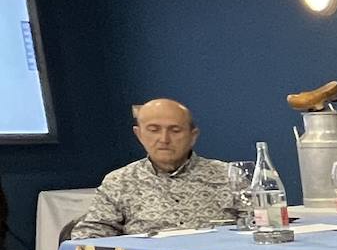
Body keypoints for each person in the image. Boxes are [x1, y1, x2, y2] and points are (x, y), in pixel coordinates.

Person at [72, 99, 235, 239]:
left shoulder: (228, 175)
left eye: (175, 130)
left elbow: (256, 225)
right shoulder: (119, 181)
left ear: (193, 136)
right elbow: (89, 235)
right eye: (153, 130)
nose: (164, 139)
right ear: (139, 134)